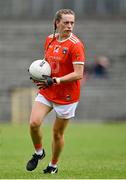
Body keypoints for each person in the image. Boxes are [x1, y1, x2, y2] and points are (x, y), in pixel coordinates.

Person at [26, 9, 85, 174]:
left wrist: (57, 80)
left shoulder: (76, 45)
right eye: (66, 22)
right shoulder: (49, 40)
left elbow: (79, 74)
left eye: (72, 22)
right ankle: (39, 153)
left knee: (57, 134)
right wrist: (38, 74)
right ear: (56, 23)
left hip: (67, 96)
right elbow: (47, 64)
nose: (70, 26)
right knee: (34, 123)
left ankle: (53, 165)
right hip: (48, 90)